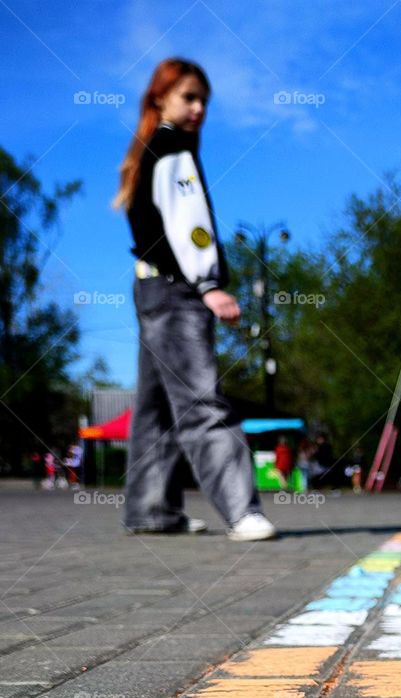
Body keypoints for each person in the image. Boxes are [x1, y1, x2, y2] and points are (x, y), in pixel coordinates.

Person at [114, 59, 276, 540]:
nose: (199, 108)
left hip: (148, 287)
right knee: (202, 399)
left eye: (204, 99)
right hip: (175, 289)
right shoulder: (174, 150)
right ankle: (240, 510)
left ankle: (151, 509)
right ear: (159, 98)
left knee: (157, 406)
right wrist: (209, 284)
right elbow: (190, 225)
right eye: (189, 97)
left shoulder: (147, 151)